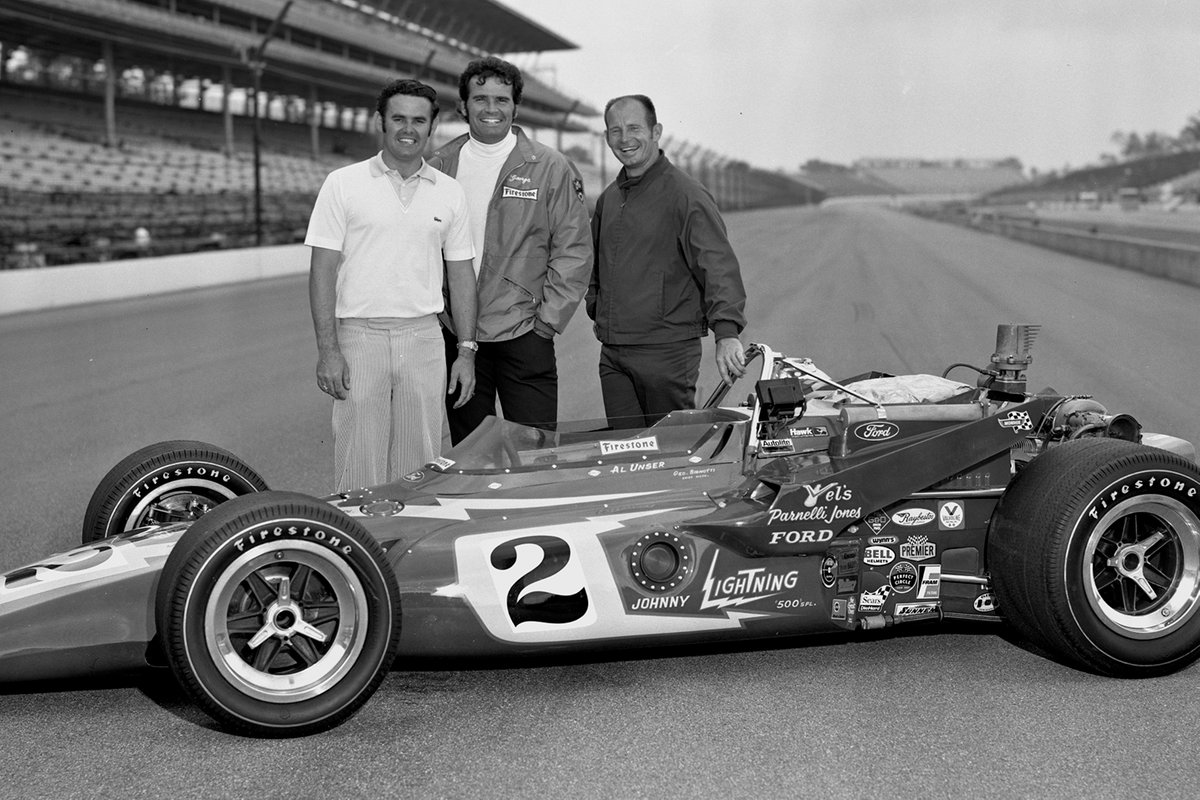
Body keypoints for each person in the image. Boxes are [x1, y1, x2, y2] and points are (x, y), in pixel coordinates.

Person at [306, 79, 477, 492]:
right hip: (359, 337)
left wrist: (467, 351)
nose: (408, 128)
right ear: (380, 121)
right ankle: (358, 548)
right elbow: (322, 271)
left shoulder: (450, 192)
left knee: (419, 465)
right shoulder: (342, 183)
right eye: (398, 118)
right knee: (357, 461)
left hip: (423, 337)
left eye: (419, 120)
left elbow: (461, 275)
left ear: (432, 126)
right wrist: (329, 350)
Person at [428, 56, 592, 444]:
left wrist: (545, 324)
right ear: (463, 106)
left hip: (526, 333)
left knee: (534, 454)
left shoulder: (551, 167)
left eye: (501, 100)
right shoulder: (436, 167)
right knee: (470, 456)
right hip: (457, 333)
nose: (491, 109)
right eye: (480, 98)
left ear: (515, 107)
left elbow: (575, 251)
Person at [587, 94, 748, 428]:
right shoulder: (609, 198)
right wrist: (597, 306)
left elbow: (717, 266)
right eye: (615, 131)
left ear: (656, 131)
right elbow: (595, 267)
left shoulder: (686, 194)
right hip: (614, 352)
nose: (624, 138)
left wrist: (727, 332)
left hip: (667, 352)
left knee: (671, 455)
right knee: (624, 456)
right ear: (606, 138)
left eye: (634, 128)